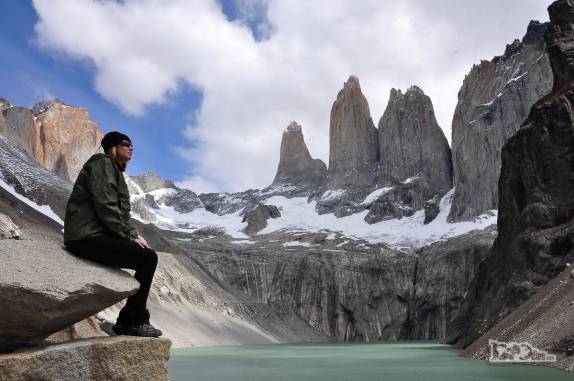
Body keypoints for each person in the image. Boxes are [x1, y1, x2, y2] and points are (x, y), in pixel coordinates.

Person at [64, 131, 162, 337]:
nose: (131, 147)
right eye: (125, 144)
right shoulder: (103, 165)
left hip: (95, 234)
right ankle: (131, 320)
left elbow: (120, 213)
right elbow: (106, 206)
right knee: (147, 258)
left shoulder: (114, 170)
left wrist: (131, 234)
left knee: (144, 253)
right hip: (85, 236)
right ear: (112, 148)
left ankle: (131, 319)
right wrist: (129, 236)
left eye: (132, 144)